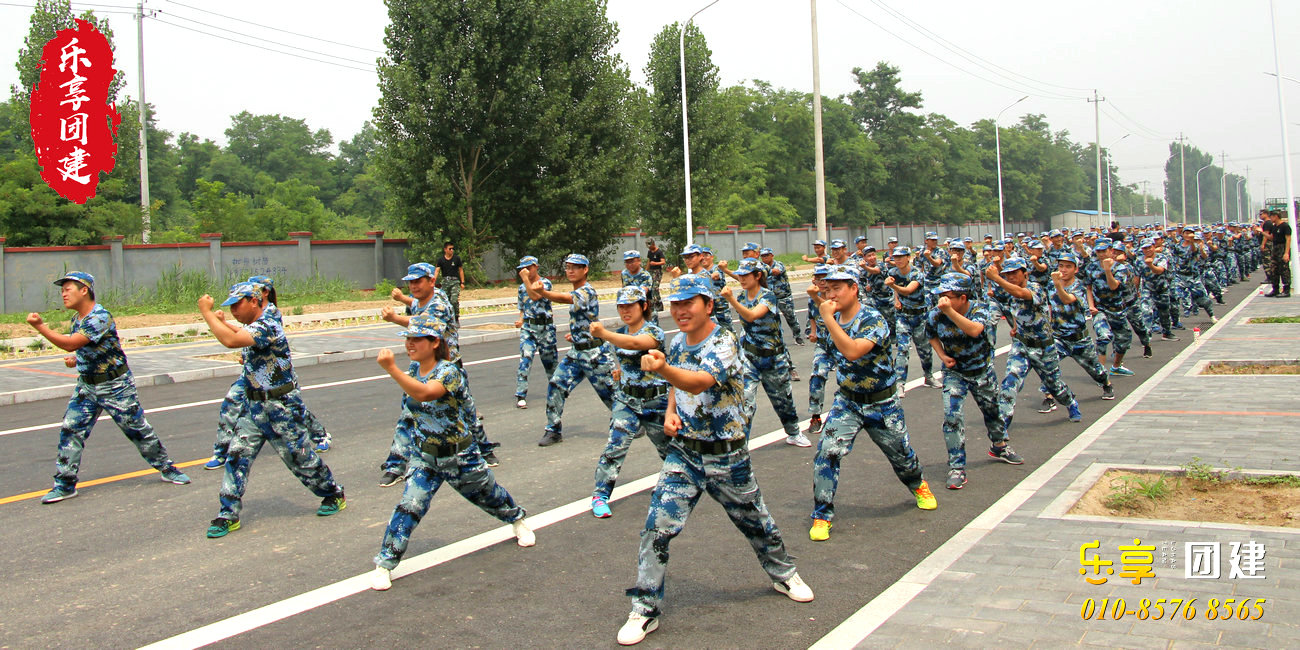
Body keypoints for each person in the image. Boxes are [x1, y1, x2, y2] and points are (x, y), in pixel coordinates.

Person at [618, 274, 812, 646]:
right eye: (674, 305)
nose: (680, 311)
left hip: (727, 457)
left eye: (688, 303)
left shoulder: (724, 340)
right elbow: (679, 387)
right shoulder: (675, 343)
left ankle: (784, 573)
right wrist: (671, 411)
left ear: (708, 305)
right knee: (656, 527)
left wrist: (660, 370)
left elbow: (697, 382)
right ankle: (644, 608)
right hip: (685, 456)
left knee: (756, 521)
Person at [369, 315, 534, 591]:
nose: (410, 344)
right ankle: (385, 562)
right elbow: (409, 412)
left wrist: (391, 370)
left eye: (416, 340)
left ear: (434, 343)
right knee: (409, 506)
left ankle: (517, 519)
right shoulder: (412, 370)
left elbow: (425, 394)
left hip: (459, 454)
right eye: (408, 339)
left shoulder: (448, 372)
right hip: (426, 456)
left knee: (488, 493)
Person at [27, 272, 190, 504]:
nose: (63, 293)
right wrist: (77, 358)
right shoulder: (77, 319)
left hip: (115, 386)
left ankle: (167, 467)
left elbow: (70, 343)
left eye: (68, 288)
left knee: (137, 429)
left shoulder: (100, 316)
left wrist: (40, 327)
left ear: (84, 290)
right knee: (71, 429)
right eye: (61, 290)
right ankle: (64, 484)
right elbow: (85, 347)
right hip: (87, 386)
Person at [199, 282, 345, 538]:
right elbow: (240, 333)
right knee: (237, 456)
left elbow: (232, 340)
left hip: (281, 407)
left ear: (253, 301)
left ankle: (332, 493)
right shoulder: (256, 326)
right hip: (254, 406)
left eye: (237, 304)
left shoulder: (268, 324)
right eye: (230, 306)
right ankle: (227, 513)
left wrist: (208, 314)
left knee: (300, 458)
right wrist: (222, 321)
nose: (233, 310)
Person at [809, 267, 935, 542]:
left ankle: (918, 484)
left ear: (854, 288)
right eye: (827, 290)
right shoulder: (833, 319)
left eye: (837, 289)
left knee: (901, 454)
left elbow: (853, 351)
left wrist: (827, 320)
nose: (831, 295)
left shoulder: (872, 318)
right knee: (827, 454)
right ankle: (821, 514)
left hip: (882, 402)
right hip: (848, 402)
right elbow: (829, 354)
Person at [383, 263, 500, 478]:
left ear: (432, 281)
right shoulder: (422, 299)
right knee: (409, 411)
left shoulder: (438, 303)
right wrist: (403, 300)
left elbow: (422, 323)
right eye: (410, 282)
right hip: (422, 364)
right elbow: (417, 305)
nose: (413, 286)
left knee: (466, 410)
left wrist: (394, 318)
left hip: (448, 366)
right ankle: (395, 464)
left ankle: (484, 449)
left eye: (418, 281)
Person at [204, 276, 333, 470]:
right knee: (232, 403)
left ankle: (320, 436)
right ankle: (221, 451)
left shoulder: (271, 314)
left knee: (295, 411)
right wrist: (223, 324)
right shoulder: (252, 313)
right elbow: (244, 334)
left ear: (263, 293)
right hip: (253, 375)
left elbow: (237, 339)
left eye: (255, 288)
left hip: (275, 376)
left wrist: (209, 315)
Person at [927, 273, 1024, 491]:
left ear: (963, 298)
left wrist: (949, 312)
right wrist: (942, 355)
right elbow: (931, 334)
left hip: (981, 371)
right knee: (952, 416)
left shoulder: (980, 309)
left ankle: (999, 445)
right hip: (955, 373)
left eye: (948, 296)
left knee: (992, 412)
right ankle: (956, 466)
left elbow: (974, 330)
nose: (942, 300)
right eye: (941, 295)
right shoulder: (936, 313)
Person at [588, 287, 670, 518]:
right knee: (615, 447)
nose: (625, 311)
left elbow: (635, 344)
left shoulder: (654, 331)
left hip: (656, 402)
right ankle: (600, 495)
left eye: (630, 306)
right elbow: (625, 352)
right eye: (621, 307)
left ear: (643, 306)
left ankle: (672, 483)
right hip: (627, 401)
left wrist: (604, 333)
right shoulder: (621, 331)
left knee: (669, 449)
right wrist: (620, 372)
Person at [527, 253, 617, 446]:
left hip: (595, 354)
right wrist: (575, 335)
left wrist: (544, 293)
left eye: (575, 267)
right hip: (577, 352)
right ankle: (553, 430)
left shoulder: (587, 291)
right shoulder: (579, 291)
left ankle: (631, 422)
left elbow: (566, 298)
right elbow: (583, 318)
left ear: (585, 270)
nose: (570, 271)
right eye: (568, 267)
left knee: (610, 394)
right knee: (556, 384)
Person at [984, 257, 1083, 427]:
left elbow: (1021, 294)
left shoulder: (1035, 288)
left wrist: (996, 278)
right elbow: (1015, 307)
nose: (1011, 277)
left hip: (1043, 347)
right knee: (1010, 382)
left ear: (1025, 274)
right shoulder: (1009, 289)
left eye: (1015, 273)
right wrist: (1015, 327)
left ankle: (1070, 402)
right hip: (1022, 345)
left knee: (1055, 386)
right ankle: (1002, 425)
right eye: (1008, 274)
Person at [721, 259, 809, 447]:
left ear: (758, 276)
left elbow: (752, 316)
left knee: (783, 401)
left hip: (773, 359)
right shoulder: (742, 297)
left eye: (746, 275)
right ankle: (740, 445)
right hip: (750, 358)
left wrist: (731, 300)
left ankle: (794, 432)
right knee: (745, 401)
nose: (742, 279)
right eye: (740, 275)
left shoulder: (768, 296)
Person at [1044, 253, 1116, 404]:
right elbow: (1050, 306)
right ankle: (1049, 397)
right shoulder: (1051, 285)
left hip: (1078, 338)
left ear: (1076, 270)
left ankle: (1106, 384)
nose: (1063, 270)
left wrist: (1057, 285)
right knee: (1048, 366)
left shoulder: (1078, 286)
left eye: (1068, 267)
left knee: (1096, 370)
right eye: (1061, 266)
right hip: (1058, 337)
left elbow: (1067, 299)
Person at [887, 247, 939, 391]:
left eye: (901, 257)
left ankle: (929, 376)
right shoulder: (893, 273)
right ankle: (900, 383)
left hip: (920, 316)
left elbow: (908, 290)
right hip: (903, 316)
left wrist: (892, 285)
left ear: (908, 258)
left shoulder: (917, 273)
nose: (898, 260)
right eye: (896, 258)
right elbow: (896, 290)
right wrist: (896, 300)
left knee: (925, 350)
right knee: (902, 349)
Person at [513, 256, 558, 409]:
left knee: (550, 363)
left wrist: (526, 281)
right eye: (523, 269)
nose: (525, 271)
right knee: (525, 359)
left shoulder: (544, 283)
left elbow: (535, 295)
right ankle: (521, 394)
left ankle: (557, 390)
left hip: (546, 328)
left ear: (535, 267)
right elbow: (522, 307)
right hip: (529, 328)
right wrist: (520, 320)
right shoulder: (521, 288)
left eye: (528, 268)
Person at [804, 265, 834, 435]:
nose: (822, 282)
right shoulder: (812, 298)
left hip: (842, 344)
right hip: (823, 344)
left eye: (825, 278)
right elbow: (812, 317)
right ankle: (816, 415)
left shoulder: (836, 296)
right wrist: (813, 332)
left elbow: (830, 308)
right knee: (817, 376)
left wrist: (815, 297)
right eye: (818, 278)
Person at [760, 247, 805, 347]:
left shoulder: (778, 264)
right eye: (762, 256)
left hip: (783, 297)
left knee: (791, 317)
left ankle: (797, 336)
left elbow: (776, 271)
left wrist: (765, 270)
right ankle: (777, 340)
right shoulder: (761, 267)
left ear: (772, 255)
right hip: (770, 298)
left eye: (767, 255)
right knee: (772, 320)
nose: (765, 258)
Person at [431, 241, 465, 322]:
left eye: (453, 249)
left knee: (454, 300)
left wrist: (462, 282)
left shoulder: (456, 258)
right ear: (445, 249)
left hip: (455, 282)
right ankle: (448, 318)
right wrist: (433, 281)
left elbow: (460, 270)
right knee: (445, 301)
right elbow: (437, 271)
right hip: (445, 282)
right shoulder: (441, 260)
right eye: (450, 249)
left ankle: (456, 316)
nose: (452, 250)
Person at [1265, 210, 1292, 297]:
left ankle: (1286, 290)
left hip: (1282, 248)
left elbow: (1288, 239)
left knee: (1284, 269)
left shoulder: (1285, 226)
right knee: (1274, 269)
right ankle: (1275, 289)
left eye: (1272, 216)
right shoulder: (1274, 227)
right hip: (1275, 249)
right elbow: (1271, 238)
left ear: (1276, 216)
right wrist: (1262, 232)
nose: (1270, 218)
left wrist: (1286, 253)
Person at [621, 250, 655, 321]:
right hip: (631, 311)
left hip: (646, 311)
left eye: (632, 261)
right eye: (627, 262)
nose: (630, 264)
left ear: (639, 261)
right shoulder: (624, 274)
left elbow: (641, 293)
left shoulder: (645, 276)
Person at [645, 239, 666, 316]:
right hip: (651, 271)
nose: (650, 248)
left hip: (657, 272)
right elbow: (648, 261)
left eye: (650, 246)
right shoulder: (649, 252)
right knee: (649, 288)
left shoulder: (659, 252)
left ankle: (659, 305)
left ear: (653, 244)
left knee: (655, 288)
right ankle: (651, 306)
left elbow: (663, 262)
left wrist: (655, 263)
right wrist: (645, 271)